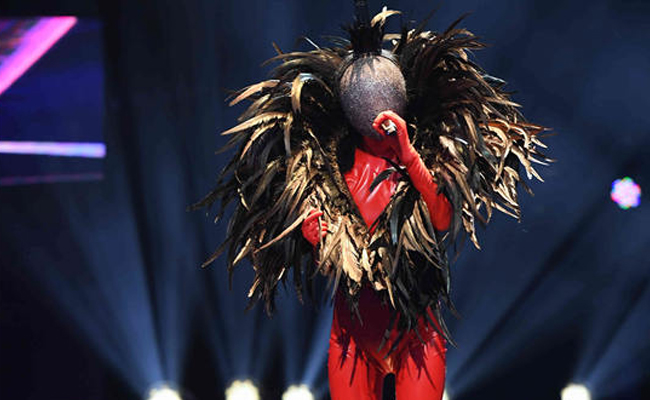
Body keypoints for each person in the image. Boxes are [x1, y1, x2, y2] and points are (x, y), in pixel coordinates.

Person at [195, 2, 550, 399]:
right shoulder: (328, 174)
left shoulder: (425, 159)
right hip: (353, 338)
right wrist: (317, 239)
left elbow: (441, 219)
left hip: (417, 335)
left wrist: (409, 156)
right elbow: (341, 260)